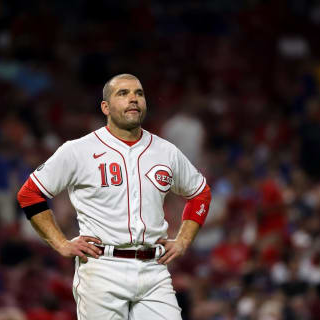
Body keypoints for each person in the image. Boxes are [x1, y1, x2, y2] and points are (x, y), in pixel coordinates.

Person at [17, 73, 212, 319]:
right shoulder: (78, 150)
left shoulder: (166, 151)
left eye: (138, 93)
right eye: (123, 93)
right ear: (105, 107)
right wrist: (61, 243)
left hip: (154, 267)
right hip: (102, 267)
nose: (133, 99)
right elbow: (30, 194)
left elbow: (200, 193)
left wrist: (183, 240)